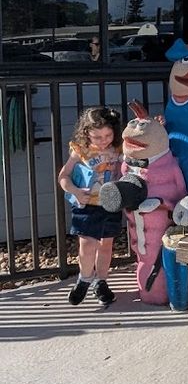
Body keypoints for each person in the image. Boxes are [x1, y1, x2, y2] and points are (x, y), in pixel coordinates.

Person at [57, 106, 124, 306]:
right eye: (97, 137)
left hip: (110, 203)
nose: (103, 140)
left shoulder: (118, 148)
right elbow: (63, 176)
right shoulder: (80, 150)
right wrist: (75, 191)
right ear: (86, 133)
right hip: (87, 204)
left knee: (106, 245)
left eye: (108, 135)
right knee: (87, 245)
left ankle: (101, 281)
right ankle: (85, 278)